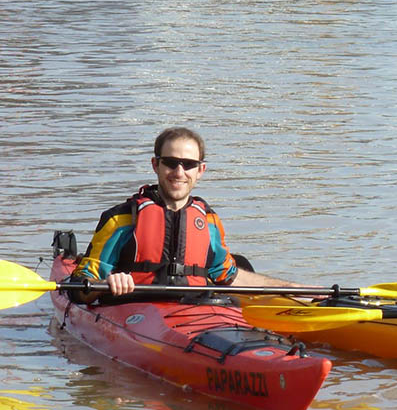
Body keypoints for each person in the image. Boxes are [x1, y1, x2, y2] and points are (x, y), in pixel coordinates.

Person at [70, 126, 303, 299]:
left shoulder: (209, 221)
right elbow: (79, 289)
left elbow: (230, 277)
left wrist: (292, 290)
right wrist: (107, 281)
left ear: (201, 170)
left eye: (189, 165)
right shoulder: (121, 219)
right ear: (155, 165)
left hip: (195, 312)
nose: (179, 172)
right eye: (171, 162)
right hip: (133, 312)